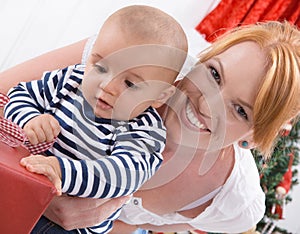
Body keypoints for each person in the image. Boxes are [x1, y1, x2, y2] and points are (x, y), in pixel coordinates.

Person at [0, 19, 299, 234]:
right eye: (214, 75)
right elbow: (9, 92)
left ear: (254, 137)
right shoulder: (128, 57)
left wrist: (109, 216)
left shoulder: (233, 201)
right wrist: (31, 134)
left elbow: (140, 220)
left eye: (239, 110)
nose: (207, 103)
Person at [3, 5, 188, 234]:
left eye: (130, 84)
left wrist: (62, 171)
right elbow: (21, 93)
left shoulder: (144, 131)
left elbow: (121, 174)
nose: (106, 86)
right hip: (21, 184)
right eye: (100, 66)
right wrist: (30, 118)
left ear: (160, 96)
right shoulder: (72, 79)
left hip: (65, 227)